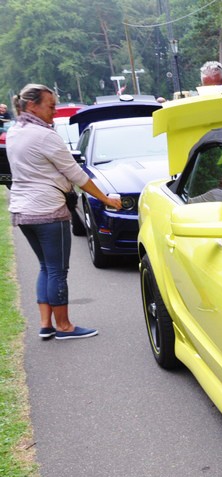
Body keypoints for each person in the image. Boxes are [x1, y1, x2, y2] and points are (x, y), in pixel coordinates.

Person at [6, 84, 123, 340]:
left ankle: (46, 324)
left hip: (23, 212)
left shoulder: (15, 132)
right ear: (32, 106)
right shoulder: (44, 136)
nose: (54, 111)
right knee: (57, 270)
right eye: (50, 106)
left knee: (46, 267)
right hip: (48, 211)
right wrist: (106, 199)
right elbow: (77, 175)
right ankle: (65, 327)